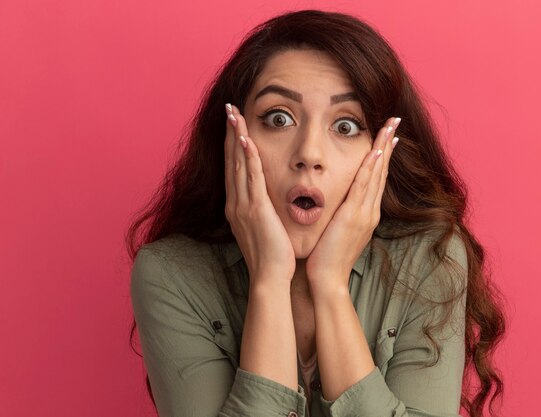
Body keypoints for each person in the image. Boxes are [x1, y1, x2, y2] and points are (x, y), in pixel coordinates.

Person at [127, 9, 505, 417]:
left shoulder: (429, 258)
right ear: (233, 141)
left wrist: (330, 286)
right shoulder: (172, 274)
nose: (309, 153)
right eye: (278, 118)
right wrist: (269, 281)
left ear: (381, 152)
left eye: (345, 126)